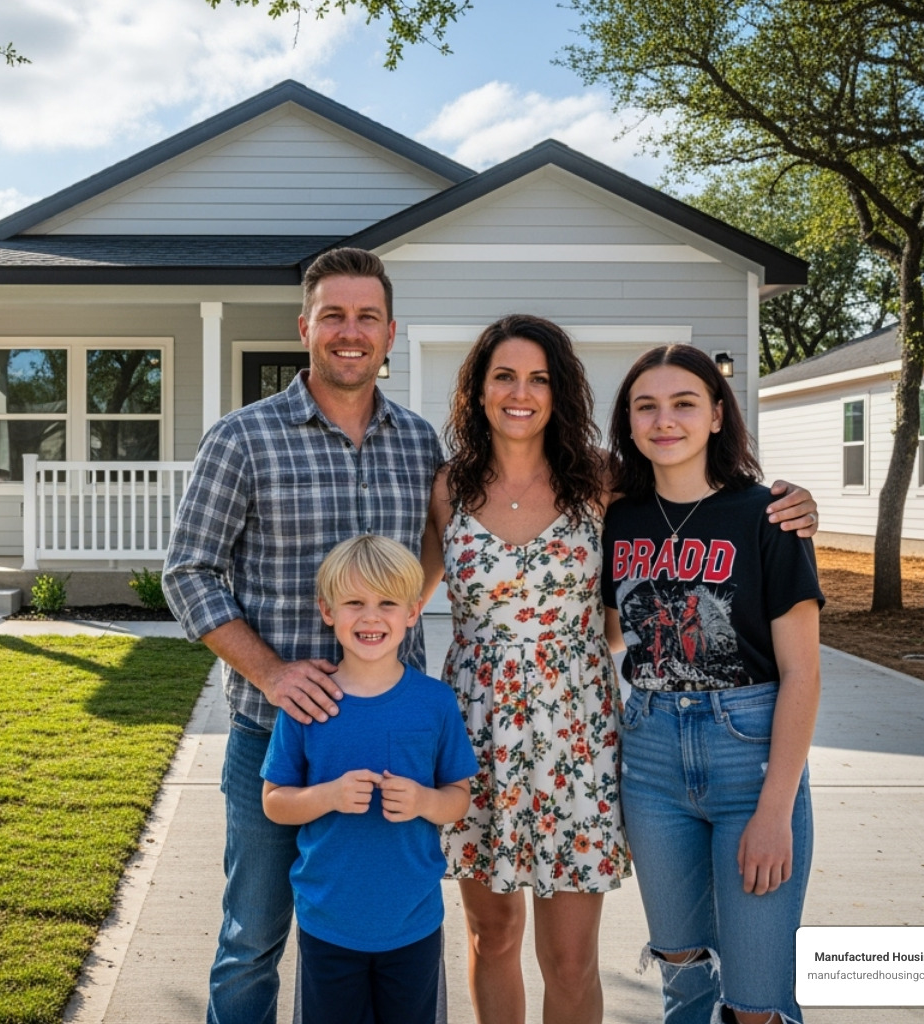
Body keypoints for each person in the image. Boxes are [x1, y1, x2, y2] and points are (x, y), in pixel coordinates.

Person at [421, 316, 820, 1024]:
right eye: (504, 377)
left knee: (571, 959)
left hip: (578, 731)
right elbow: (401, 598)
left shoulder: (601, 481)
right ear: (477, 392)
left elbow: (691, 500)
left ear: (561, 391)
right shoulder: (449, 488)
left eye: (539, 378)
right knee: (492, 935)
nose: (522, 392)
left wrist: (789, 503)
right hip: (474, 730)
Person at [163, 247, 444, 1024]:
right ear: (305, 328)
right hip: (274, 738)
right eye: (333, 316)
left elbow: (461, 530)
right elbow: (188, 571)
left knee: (400, 934)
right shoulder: (243, 438)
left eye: (366, 318)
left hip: (390, 739)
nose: (349, 332)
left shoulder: (421, 443)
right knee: (253, 936)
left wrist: (413, 602)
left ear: (390, 333)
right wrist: (272, 674)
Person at [601, 344, 823, 1024]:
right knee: (682, 969)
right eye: (647, 406)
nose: (664, 420)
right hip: (651, 756)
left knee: (756, 1000)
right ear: (630, 423)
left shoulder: (771, 516)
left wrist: (775, 810)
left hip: (747, 752)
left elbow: (804, 674)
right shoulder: (617, 517)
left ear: (718, 416)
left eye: (684, 403)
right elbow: (611, 633)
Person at [261, 535, 478, 1024]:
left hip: (413, 922)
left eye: (387, 603)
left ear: (413, 612)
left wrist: (424, 800)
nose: (371, 617)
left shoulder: (435, 703)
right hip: (328, 921)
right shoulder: (309, 702)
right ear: (327, 611)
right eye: (354, 602)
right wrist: (328, 795)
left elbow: (458, 799)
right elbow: (274, 801)